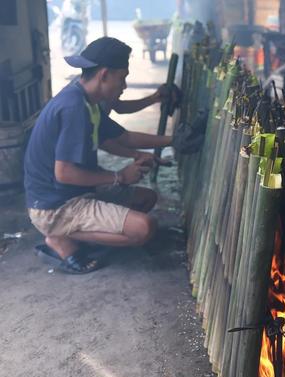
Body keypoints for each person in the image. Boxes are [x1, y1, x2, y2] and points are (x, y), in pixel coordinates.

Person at [24, 37, 174, 274]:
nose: (124, 86)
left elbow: (123, 138)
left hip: (73, 195)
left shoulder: (86, 100)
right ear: (104, 75)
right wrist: (119, 177)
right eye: (122, 78)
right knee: (144, 228)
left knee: (146, 198)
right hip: (54, 206)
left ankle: (78, 237)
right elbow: (64, 173)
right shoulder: (74, 108)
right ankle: (58, 237)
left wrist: (174, 141)